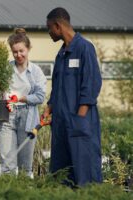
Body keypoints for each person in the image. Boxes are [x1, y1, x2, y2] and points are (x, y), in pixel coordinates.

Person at [43, 7, 103, 186]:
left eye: (49, 28)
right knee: (61, 173)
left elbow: (92, 84)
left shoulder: (85, 48)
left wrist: (80, 117)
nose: (48, 33)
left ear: (58, 26)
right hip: (61, 124)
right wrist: (48, 108)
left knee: (85, 171)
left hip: (79, 122)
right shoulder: (60, 55)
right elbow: (57, 88)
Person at [0, 28, 47, 178]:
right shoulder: (5, 69)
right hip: (6, 115)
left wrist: (20, 98)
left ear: (28, 49)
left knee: (25, 165)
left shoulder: (36, 72)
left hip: (27, 117)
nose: (18, 55)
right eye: (15, 52)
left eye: (21, 51)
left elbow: (40, 96)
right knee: (7, 163)